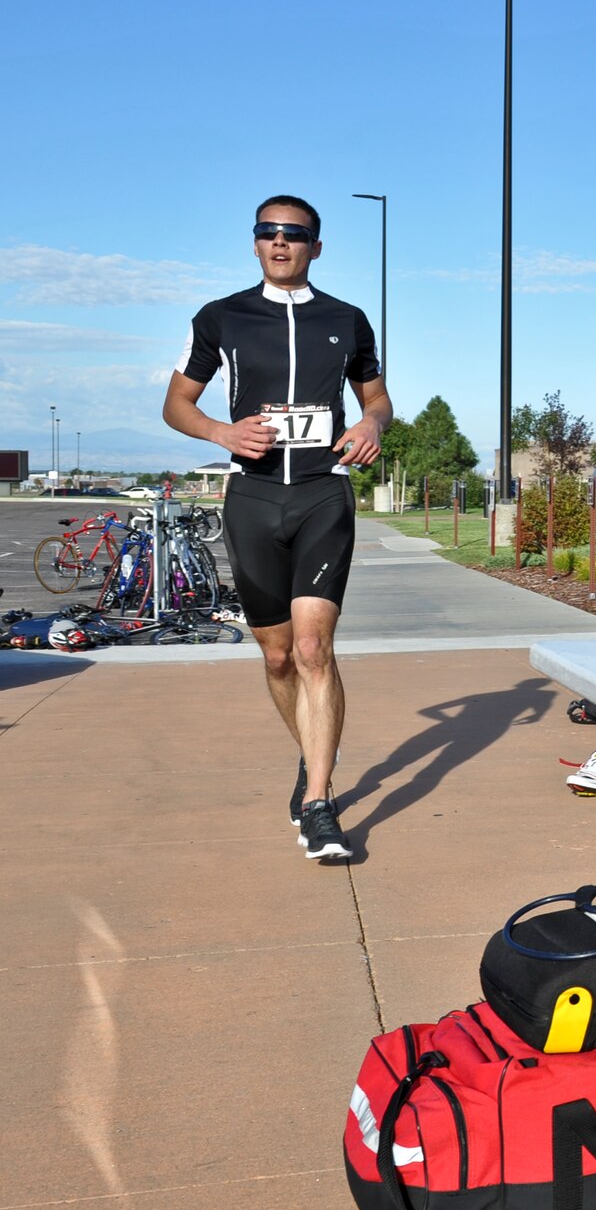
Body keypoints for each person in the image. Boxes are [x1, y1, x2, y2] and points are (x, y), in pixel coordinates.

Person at [162, 195, 389, 859]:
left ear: (316, 246)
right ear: (255, 241)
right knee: (279, 654)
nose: (281, 242)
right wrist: (220, 430)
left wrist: (372, 421)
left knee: (315, 647)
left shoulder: (346, 320)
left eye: (295, 234)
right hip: (253, 497)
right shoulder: (220, 317)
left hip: (324, 492)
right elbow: (178, 401)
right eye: (269, 232)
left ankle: (319, 803)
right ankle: (309, 754)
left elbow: (375, 395)